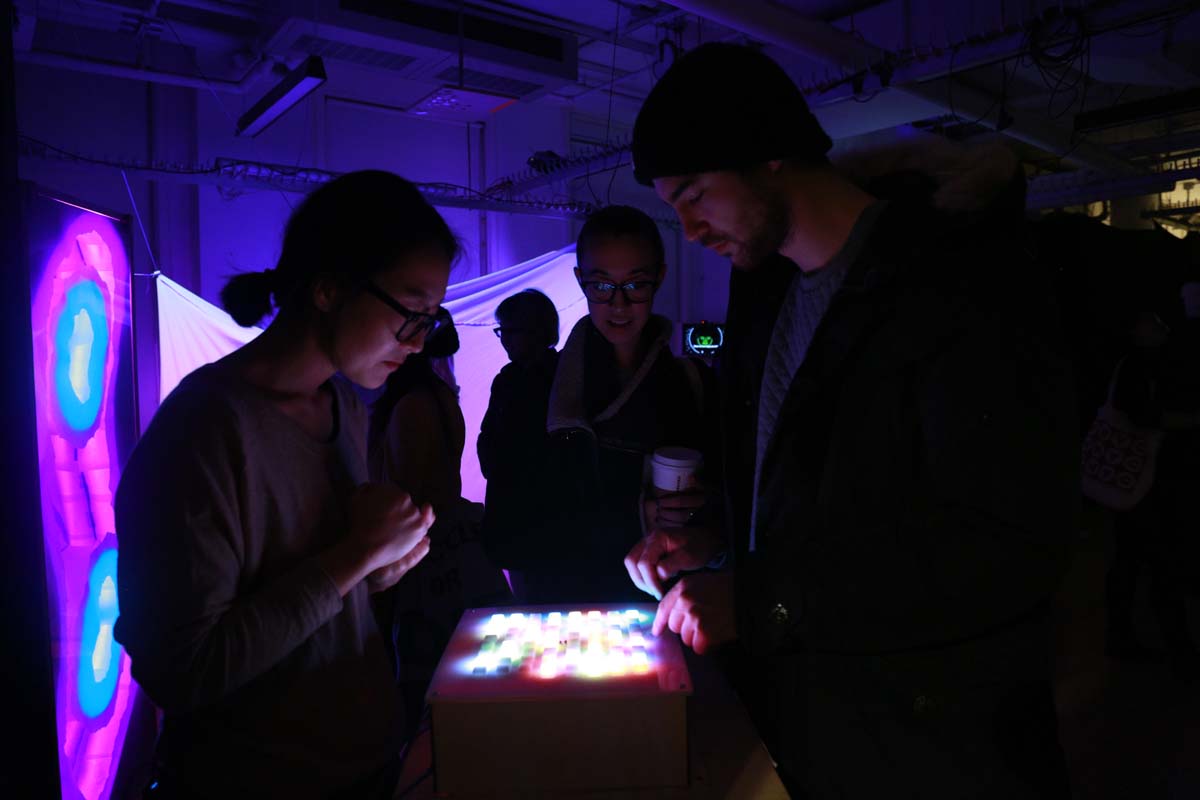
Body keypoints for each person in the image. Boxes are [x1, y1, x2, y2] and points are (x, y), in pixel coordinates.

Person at [629, 43, 1077, 797]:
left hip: (936, 739)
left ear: (770, 153)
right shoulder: (765, 286)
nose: (690, 229)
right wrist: (717, 543)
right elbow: (814, 487)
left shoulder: (964, 280)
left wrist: (762, 599)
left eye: (695, 193)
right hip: (815, 716)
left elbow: (1008, 546)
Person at [113, 171, 456, 799]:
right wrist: (355, 556)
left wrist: (377, 568)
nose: (417, 344)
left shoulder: (342, 404)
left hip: (365, 762)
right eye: (411, 314)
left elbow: (315, 591)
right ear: (328, 289)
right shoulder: (203, 431)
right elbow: (182, 672)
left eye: (430, 320)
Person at [484, 205, 717, 604]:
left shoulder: (694, 383)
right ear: (581, 282)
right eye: (601, 285)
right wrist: (637, 512)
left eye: (636, 284)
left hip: (664, 599)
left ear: (660, 277)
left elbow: (728, 500)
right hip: (565, 601)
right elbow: (513, 515)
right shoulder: (534, 388)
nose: (619, 303)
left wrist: (702, 513)